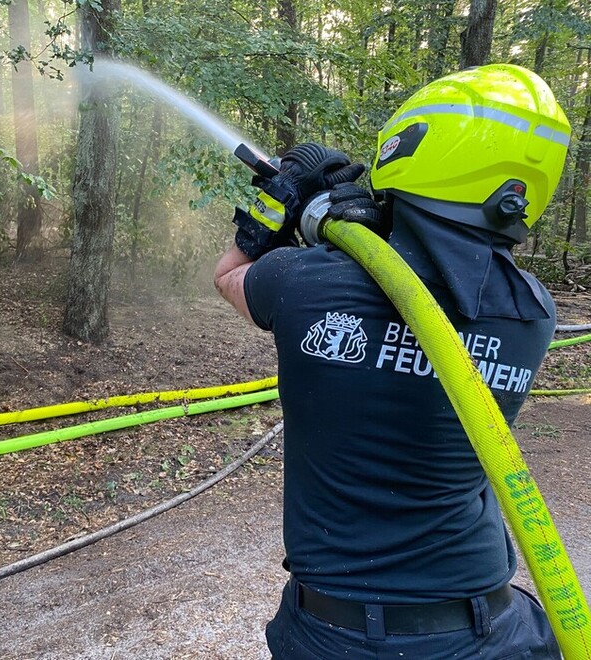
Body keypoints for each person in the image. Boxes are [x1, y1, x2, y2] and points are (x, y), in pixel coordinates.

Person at [214, 64, 570, 658]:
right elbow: (441, 286)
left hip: (339, 632)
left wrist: (275, 218)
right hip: (489, 629)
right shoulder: (532, 313)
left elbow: (230, 277)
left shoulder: (306, 285)